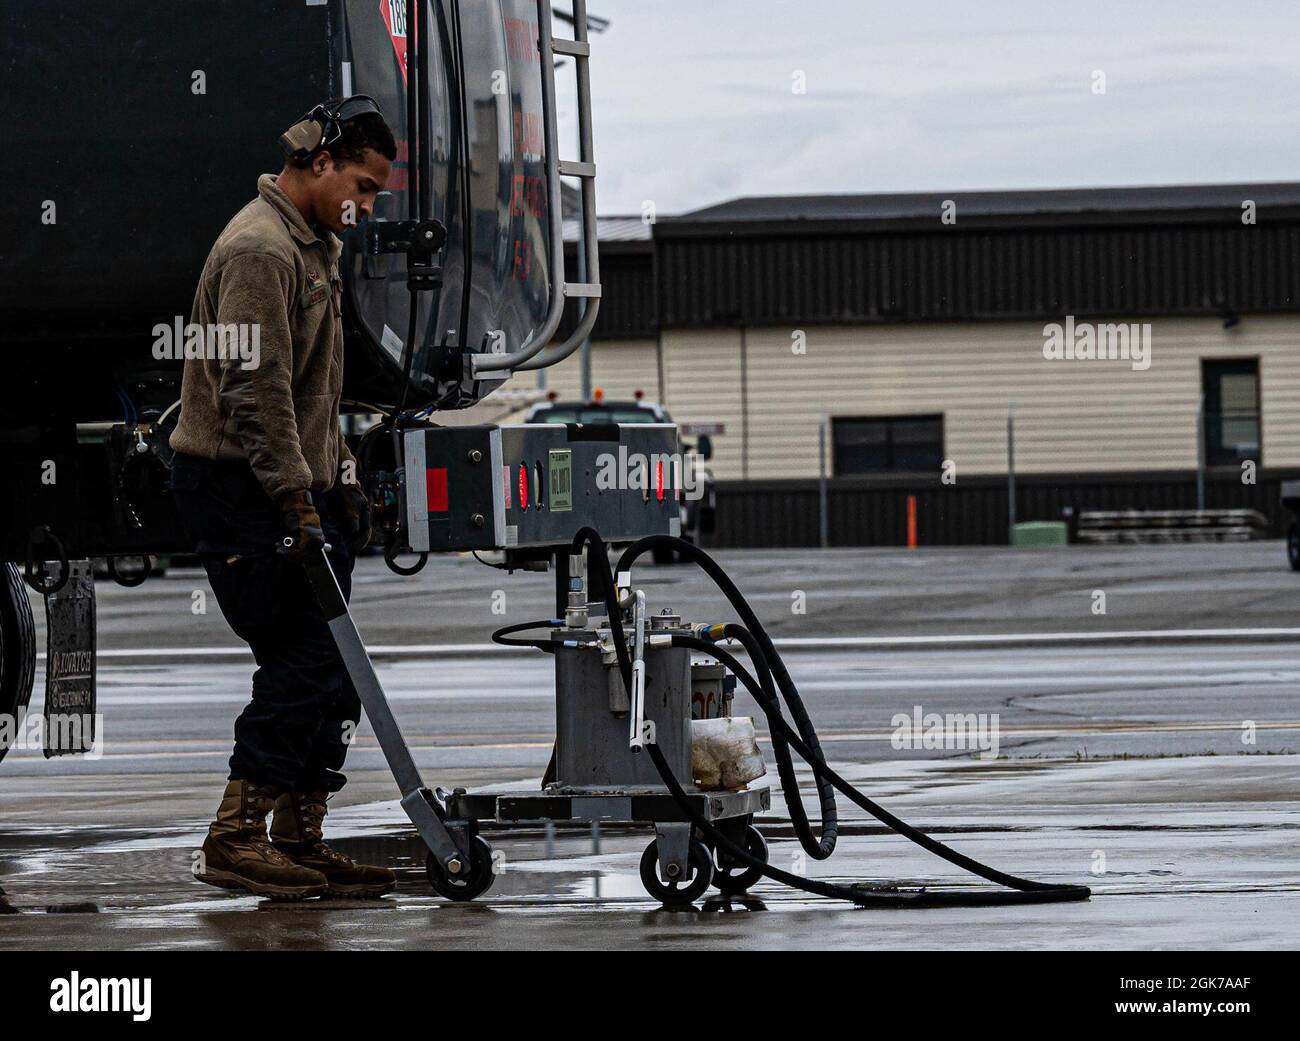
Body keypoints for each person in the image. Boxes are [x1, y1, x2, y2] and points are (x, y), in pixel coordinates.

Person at [169, 97, 397, 899]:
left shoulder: (313, 245)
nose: (365, 208)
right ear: (319, 162)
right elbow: (253, 394)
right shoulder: (260, 251)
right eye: (362, 188)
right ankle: (234, 837)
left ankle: (299, 837)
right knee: (302, 661)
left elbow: (313, 392)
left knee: (336, 670)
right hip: (243, 488)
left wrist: (342, 481)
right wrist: (297, 501)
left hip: (297, 485)